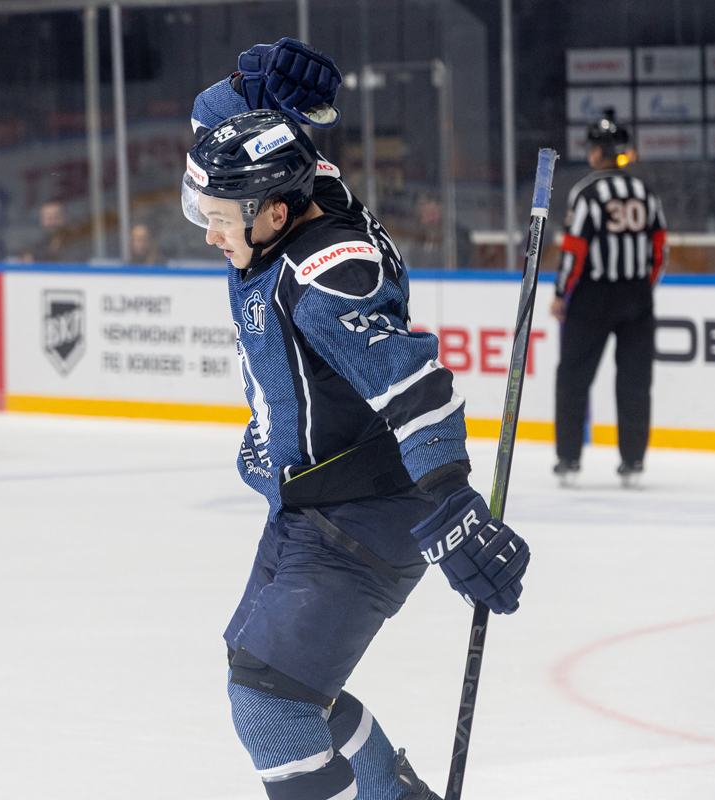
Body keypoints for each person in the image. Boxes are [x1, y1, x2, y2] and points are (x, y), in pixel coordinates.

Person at [184, 39, 530, 800]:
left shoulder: (326, 277)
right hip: (311, 502)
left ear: (275, 212)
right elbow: (220, 133)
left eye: (219, 219)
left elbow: (414, 384)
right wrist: (248, 90)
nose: (209, 234)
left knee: (271, 703)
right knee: (280, 683)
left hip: (359, 514)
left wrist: (452, 502)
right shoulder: (301, 185)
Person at [551, 109, 666, 486]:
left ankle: (569, 459)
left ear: (599, 152)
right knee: (635, 381)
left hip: (593, 298)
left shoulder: (587, 192)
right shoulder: (645, 192)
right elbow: (660, 250)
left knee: (573, 377)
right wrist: (642, 288)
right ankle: (633, 461)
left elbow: (574, 251)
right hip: (637, 296)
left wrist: (561, 293)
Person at [400, 193, 473, 269]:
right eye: (426, 214)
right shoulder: (416, 241)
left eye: (434, 213)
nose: (431, 219)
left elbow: (460, 265)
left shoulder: (456, 239)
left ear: (442, 214)